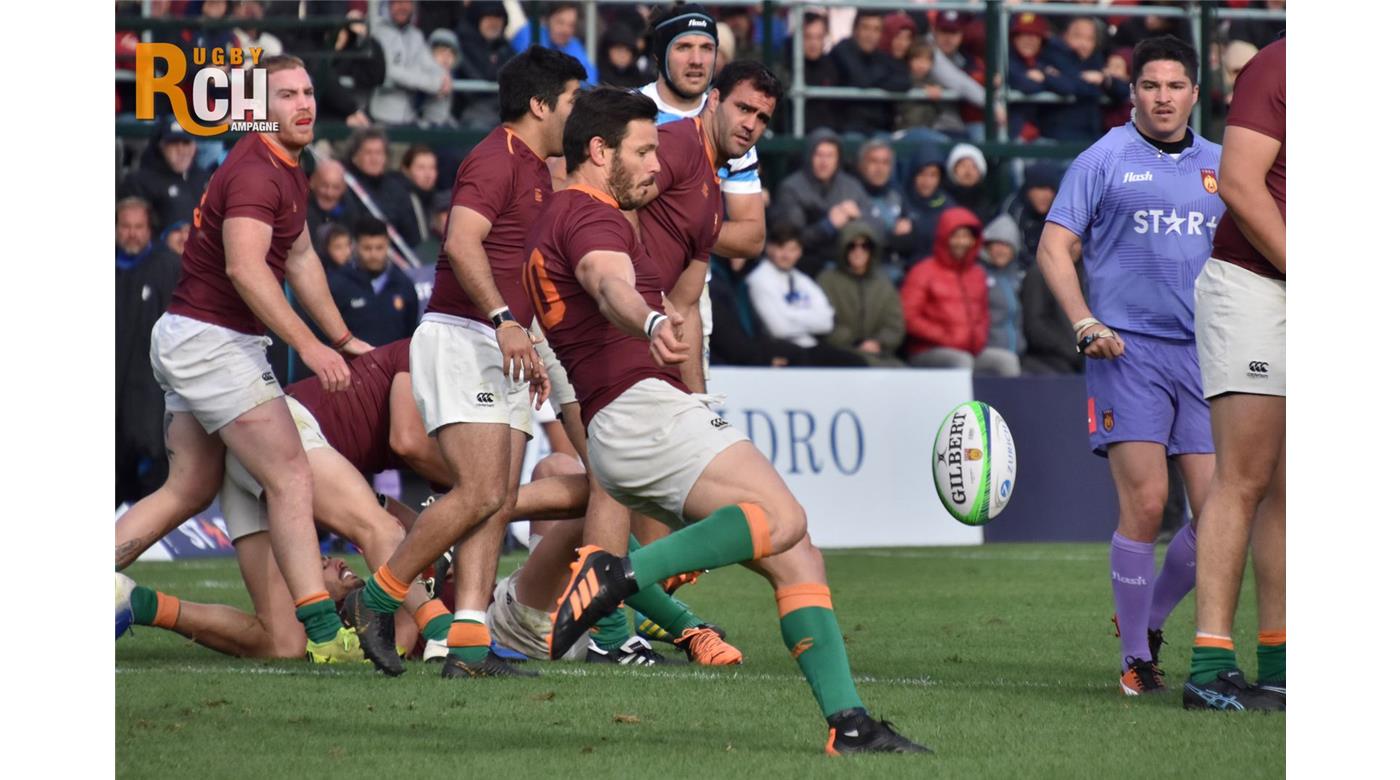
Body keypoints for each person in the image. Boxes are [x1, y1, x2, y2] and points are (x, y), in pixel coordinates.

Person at [525, 87, 927, 754]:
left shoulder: (566, 215)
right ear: (598, 152)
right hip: (640, 413)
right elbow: (607, 282)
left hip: (627, 420)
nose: (657, 165)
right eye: (643, 152)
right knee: (786, 518)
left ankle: (848, 723)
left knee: (798, 556)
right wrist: (650, 319)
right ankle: (618, 574)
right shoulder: (590, 219)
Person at [119, 54, 378, 667]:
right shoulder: (259, 171)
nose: (305, 104)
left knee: (189, 489)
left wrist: (341, 337)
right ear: (258, 108)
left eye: (309, 92)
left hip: (196, 337)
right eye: (287, 95)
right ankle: (323, 633)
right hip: (213, 341)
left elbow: (302, 257)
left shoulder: (289, 165)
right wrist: (312, 348)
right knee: (290, 475)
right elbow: (244, 267)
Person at [345, 46, 583, 680]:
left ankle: (470, 647)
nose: (577, 113)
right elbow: (459, 241)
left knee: (498, 499)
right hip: (463, 334)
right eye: (570, 101)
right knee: (478, 491)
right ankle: (376, 599)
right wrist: (506, 322)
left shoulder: (536, 165)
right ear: (539, 105)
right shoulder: (494, 157)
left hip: (501, 341)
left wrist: (523, 334)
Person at [1037, 36, 1226, 697]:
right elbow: (1055, 248)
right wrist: (1086, 323)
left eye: (1176, 86)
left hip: (1208, 355)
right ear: (1133, 93)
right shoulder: (1103, 159)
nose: (1164, 97)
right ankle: (1135, 657)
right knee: (1146, 505)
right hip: (1127, 351)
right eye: (1151, 86)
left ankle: (1146, 622)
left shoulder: (1222, 168)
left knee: (1219, 518)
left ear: (1196, 94)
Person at [116, 340, 453, 662]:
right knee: (379, 530)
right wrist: (478, 492)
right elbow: (409, 444)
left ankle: (135, 603)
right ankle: (443, 631)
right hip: (278, 430)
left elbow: (406, 509)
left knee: (283, 641)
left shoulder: (452, 368)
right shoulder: (433, 350)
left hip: (255, 444)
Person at [1185, 35, 1286, 713]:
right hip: (1254, 283)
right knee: (1243, 477)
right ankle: (1209, 664)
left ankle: (1280, 663)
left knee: (1291, 488)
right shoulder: (1281, 64)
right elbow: (1240, 182)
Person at [117, 198, 182, 504]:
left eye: (138, 227)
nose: (131, 234)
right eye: (125, 227)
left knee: (152, 455)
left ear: (150, 229)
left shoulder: (165, 266)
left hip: (149, 389)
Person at [903, 207, 1014, 375]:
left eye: (966, 236)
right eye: (956, 236)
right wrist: (945, 336)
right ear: (944, 237)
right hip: (928, 350)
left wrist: (978, 338)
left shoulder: (977, 274)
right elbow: (909, 317)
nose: (962, 242)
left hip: (971, 349)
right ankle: (964, 403)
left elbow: (983, 314)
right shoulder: (923, 271)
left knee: (1006, 361)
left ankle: (1009, 403)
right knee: (961, 361)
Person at [746, 223, 866, 368]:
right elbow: (778, 329)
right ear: (769, 248)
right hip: (783, 350)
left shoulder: (801, 279)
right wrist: (808, 317)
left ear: (800, 252)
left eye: (792, 249)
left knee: (857, 363)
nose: (786, 255)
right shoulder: (759, 279)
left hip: (810, 346)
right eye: (780, 248)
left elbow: (827, 322)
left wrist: (789, 314)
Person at [770, 129, 871, 276]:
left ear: (838, 159)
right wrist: (828, 226)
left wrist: (859, 218)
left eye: (830, 156)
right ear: (809, 156)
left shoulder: (851, 187)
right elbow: (791, 239)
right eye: (819, 155)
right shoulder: (791, 188)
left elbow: (875, 227)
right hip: (802, 267)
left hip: (846, 265)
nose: (824, 162)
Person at [817, 221, 907, 367]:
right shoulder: (827, 281)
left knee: (903, 374)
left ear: (872, 250)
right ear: (843, 249)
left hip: (880, 353)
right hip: (840, 354)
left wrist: (879, 342)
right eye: (852, 246)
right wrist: (854, 341)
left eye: (865, 246)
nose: (858, 251)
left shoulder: (883, 284)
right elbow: (823, 323)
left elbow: (895, 325)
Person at [329, 217, 420, 347]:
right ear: (354, 246)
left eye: (379, 248)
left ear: (388, 245)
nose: (374, 254)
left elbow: (411, 335)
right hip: (352, 365)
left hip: (394, 366)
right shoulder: (337, 285)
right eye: (367, 248)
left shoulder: (404, 285)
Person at [1040, 17, 1131, 141]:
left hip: (1092, 134)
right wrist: (1090, 82)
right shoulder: (1053, 55)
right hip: (1059, 135)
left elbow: (1123, 91)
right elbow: (1067, 88)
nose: (1084, 43)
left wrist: (1104, 80)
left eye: (1090, 39)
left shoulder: (1096, 59)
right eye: (1078, 36)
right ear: (1064, 35)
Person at [118, 119, 210, 233]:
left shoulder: (205, 180)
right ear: (161, 146)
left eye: (186, 143)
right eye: (174, 143)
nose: (181, 150)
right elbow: (133, 233)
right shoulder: (138, 183)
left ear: (195, 146)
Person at [369, 0, 452, 125]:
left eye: (407, 2)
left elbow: (431, 66)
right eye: (397, 2)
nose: (402, 7)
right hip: (381, 117)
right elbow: (390, 71)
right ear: (388, 6)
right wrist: (435, 84)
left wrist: (444, 78)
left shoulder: (416, 35)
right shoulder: (378, 33)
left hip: (410, 116)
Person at [830, 10, 911, 135]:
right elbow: (861, 79)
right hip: (848, 129)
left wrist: (873, 79)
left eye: (876, 29)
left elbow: (904, 82)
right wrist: (884, 75)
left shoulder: (881, 55)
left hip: (880, 129)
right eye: (865, 28)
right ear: (855, 30)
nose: (870, 35)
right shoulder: (843, 49)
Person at [342, 127, 420, 248]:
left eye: (379, 153)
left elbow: (412, 237)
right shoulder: (345, 186)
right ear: (355, 156)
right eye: (368, 153)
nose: (374, 159)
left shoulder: (398, 190)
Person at [854, 138, 915, 264]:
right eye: (873, 161)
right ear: (861, 165)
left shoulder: (898, 194)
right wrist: (893, 238)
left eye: (885, 163)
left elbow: (912, 236)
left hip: (896, 265)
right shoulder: (851, 193)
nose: (879, 168)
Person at [457, 1, 514, 128]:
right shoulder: (462, 45)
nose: (494, 24)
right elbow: (480, 78)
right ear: (477, 19)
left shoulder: (505, 47)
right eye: (489, 18)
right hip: (470, 111)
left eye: (498, 19)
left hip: (502, 111)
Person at [510, 2, 598, 85]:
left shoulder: (573, 43)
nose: (566, 30)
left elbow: (589, 80)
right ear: (546, 20)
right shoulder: (530, 33)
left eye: (571, 25)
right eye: (560, 22)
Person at [980, 215, 1025, 374]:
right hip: (986, 351)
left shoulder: (1017, 277)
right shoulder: (978, 274)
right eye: (996, 244)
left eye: (1007, 245)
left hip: (1017, 353)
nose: (1001, 250)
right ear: (987, 247)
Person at [1001, 161, 1062, 269]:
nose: (1045, 195)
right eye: (1039, 188)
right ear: (1028, 190)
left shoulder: (1062, 211)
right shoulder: (1014, 208)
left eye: (1049, 189)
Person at [902, 145, 954, 266]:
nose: (927, 181)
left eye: (933, 175)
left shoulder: (948, 204)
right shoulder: (901, 199)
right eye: (922, 174)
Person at [306, 158, 364, 238]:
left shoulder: (350, 210)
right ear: (312, 182)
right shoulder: (300, 209)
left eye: (336, 187)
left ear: (344, 188)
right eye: (324, 186)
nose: (330, 193)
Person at [944, 142, 997, 223]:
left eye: (974, 167)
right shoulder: (944, 201)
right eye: (963, 165)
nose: (968, 172)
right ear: (953, 170)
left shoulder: (986, 205)